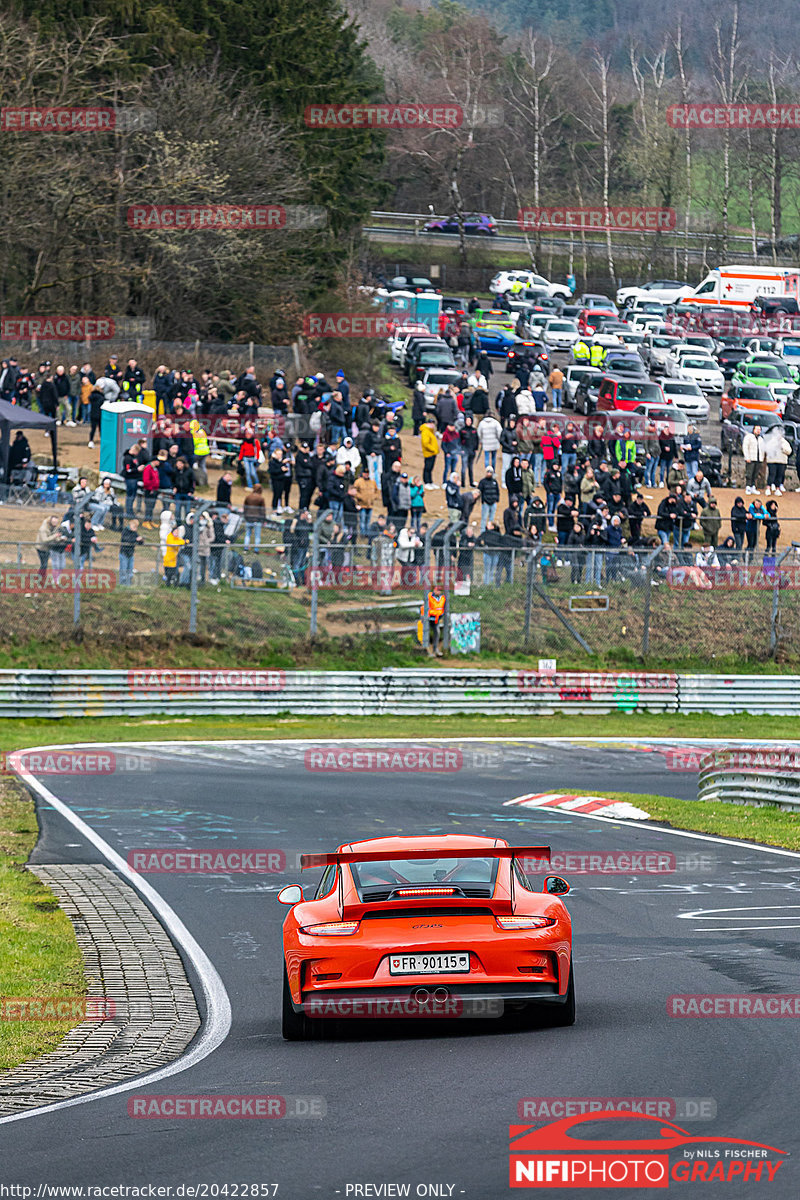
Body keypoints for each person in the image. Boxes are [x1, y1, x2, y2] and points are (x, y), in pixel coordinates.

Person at [764, 427, 792, 495]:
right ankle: (768, 488)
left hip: (782, 461)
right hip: (772, 461)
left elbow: (789, 451)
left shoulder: (785, 442)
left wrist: (782, 447)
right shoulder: (771, 441)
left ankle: (777, 489)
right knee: (772, 475)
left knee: (779, 476)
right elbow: (767, 449)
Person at [119, 519, 144, 586]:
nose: (135, 528)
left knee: (130, 570)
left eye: (136, 527)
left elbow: (140, 542)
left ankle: (128, 584)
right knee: (123, 570)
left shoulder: (134, 533)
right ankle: (122, 584)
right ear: (130, 525)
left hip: (131, 554)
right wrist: (135, 539)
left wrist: (141, 540)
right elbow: (126, 539)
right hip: (124, 553)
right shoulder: (125, 531)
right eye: (134, 526)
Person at [423, 584, 446, 656]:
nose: (438, 591)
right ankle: (427, 650)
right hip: (428, 618)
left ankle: (435, 649)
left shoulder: (442, 598)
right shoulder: (429, 596)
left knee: (437, 632)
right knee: (426, 633)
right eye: (437, 589)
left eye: (440, 590)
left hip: (436, 619)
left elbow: (442, 608)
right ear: (434, 589)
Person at [742, 424, 765, 495]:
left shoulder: (761, 439)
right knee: (749, 473)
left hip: (758, 459)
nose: (758, 431)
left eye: (759, 430)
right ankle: (748, 487)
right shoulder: (748, 437)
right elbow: (745, 447)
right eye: (757, 429)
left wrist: (762, 458)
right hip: (751, 458)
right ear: (753, 430)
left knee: (755, 474)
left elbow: (763, 449)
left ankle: (753, 487)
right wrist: (747, 457)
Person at [243, 483, 266, 550]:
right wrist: (263, 519)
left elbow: (245, 508)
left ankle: (246, 547)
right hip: (257, 519)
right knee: (257, 536)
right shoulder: (261, 498)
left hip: (248, 518)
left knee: (247, 534)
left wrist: (245, 516)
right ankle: (256, 549)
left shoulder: (248, 497)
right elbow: (262, 510)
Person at [478, 468, 500, 532]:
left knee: (491, 519)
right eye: (488, 472)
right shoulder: (482, 482)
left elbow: (497, 491)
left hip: (493, 502)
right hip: (486, 503)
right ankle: (482, 532)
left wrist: (497, 499)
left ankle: (490, 532)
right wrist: (483, 501)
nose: (489, 474)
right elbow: (479, 492)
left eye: (490, 472)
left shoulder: (494, 482)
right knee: (484, 518)